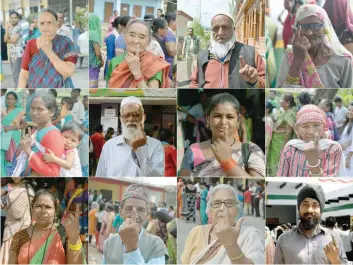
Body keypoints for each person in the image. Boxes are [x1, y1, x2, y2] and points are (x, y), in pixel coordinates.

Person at [180, 93, 265, 177]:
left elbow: (258, 183)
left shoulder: (252, 150)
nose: (223, 122)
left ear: (238, 121)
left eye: (230, 117)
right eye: (217, 116)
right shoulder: (193, 151)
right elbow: (184, 184)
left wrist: (227, 161)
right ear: (208, 119)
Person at [181, 184, 264, 264]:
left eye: (228, 203)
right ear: (209, 210)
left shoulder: (250, 236)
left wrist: (231, 245)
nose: (222, 208)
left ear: (237, 209)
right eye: (217, 203)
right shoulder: (196, 232)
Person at [276, 4, 353, 88]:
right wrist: (297, 61)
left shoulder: (342, 59)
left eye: (316, 26)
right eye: (303, 27)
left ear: (325, 28)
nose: (309, 33)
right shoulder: (290, 54)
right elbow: (281, 89)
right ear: (296, 29)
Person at [274, 184, 348, 264]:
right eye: (305, 204)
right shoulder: (283, 240)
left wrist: (335, 260)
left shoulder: (334, 238)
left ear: (321, 210)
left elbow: (343, 262)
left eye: (315, 205)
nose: (309, 210)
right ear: (299, 208)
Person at [190, 12, 265, 88]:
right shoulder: (202, 56)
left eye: (225, 27)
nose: (220, 33)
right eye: (215, 28)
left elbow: (266, 82)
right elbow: (194, 83)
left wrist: (255, 82)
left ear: (234, 30)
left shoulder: (251, 54)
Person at [7, 189, 84, 264]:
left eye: (48, 207)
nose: (43, 211)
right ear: (32, 208)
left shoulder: (65, 235)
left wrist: (74, 238)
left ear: (55, 211)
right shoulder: (20, 236)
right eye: (38, 206)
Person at [96, 97, 164, 177]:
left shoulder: (156, 145)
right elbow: (100, 177)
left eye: (136, 115)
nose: (131, 119)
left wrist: (140, 150)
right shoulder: (109, 146)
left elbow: (157, 178)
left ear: (143, 118)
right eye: (126, 115)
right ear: (121, 119)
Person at [102, 184, 167, 264]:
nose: (135, 216)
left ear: (147, 214)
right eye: (129, 209)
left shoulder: (156, 244)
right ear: (120, 211)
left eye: (141, 210)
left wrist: (131, 247)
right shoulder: (109, 243)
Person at [277, 104, 345, 177]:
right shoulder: (290, 148)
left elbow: (328, 184)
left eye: (316, 125)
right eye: (305, 126)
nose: (311, 132)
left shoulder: (332, 148)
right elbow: (280, 179)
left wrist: (314, 162)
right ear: (296, 129)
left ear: (324, 127)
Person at [18, 8, 77, 88]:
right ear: (38, 25)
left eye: (49, 23)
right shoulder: (31, 43)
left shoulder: (66, 42)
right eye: (42, 23)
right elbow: (24, 75)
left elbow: (69, 72)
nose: (45, 26)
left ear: (56, 24)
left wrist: (49, 51)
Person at [13, 92, 65, 176]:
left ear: (51, 112)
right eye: (32, 108)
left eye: (40, 109)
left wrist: (29, 152)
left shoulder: (53, 135)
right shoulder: (38, 130)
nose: (34, 113)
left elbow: (54, 174)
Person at [107, 20, 171, 88]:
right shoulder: (115, 62)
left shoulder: (154, 63)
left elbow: (152, 96)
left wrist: (137, 73)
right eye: (132, 35)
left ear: (148, 42)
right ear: (125, 37)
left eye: (142, 37)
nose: (136, 40)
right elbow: (109, 92)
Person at [0, 178, 34, 264]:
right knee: (8, 249)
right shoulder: (9, 187)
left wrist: (34, 222)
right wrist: (2, 204)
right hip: (10, 224)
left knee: (22, 250)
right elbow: (5, 202)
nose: (16, 177)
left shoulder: (28, 187)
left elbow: (33, 206)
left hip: (24, 224)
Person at [267, 93, 296, 176]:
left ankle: (275, 175)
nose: (280, 100)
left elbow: (288, 131)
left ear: (288, 103)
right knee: (273, 159)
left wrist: (284, 146)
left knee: (277, 161)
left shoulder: (290, 114)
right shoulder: (285, 112)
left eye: (282, 99)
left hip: (280, 143)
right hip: (276, 141)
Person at [1, 91, 26, 176]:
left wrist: (11, 128)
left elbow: (24, 125)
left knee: (12, 158)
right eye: (8, 98)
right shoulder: (2, 109)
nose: (9, 100)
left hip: (14, 137)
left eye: (12, 99)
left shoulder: (19, 111)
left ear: (16, 100)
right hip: (2, 136)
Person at [4, 11, 24, 87]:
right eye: (11, 18)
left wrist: (9, 40)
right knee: (14, 74)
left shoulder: (19, 27)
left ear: (18, 18)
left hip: (18, 54)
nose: (13, 19)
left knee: (17, 74)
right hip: (12, 53)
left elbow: (13, 40)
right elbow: (5, 40)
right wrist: (7, 29)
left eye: (15, 18)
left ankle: (17, 88)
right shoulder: (11, 28)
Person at [89, 13, 103, 88]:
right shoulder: (93, 34)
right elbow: (97, 53)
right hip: (92, 65)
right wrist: (100, 62)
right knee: (92, 88)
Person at [339, 103, 353, 176]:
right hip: (344, 154)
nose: (350, 112)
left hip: (349, 156)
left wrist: (348, 158)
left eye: (352, 111)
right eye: (349, 110)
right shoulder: (347, 123)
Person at [162, 12, 177, 79]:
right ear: (171, 22)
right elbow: (171, 51)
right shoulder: (169, 33)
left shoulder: (165, 31)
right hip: (166, 66)